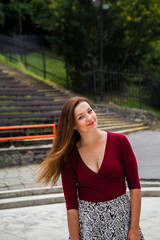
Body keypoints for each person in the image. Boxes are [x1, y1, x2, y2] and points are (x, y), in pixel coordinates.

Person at [37, 96, 144, 240]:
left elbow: (135, 187)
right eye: (81, 117)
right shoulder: (69, 157)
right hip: (89, 227)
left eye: (90, 111)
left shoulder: (120, 142)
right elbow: (71, 206)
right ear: (73, 125)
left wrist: (134, 228)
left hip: (122, 222)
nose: (89, 117)